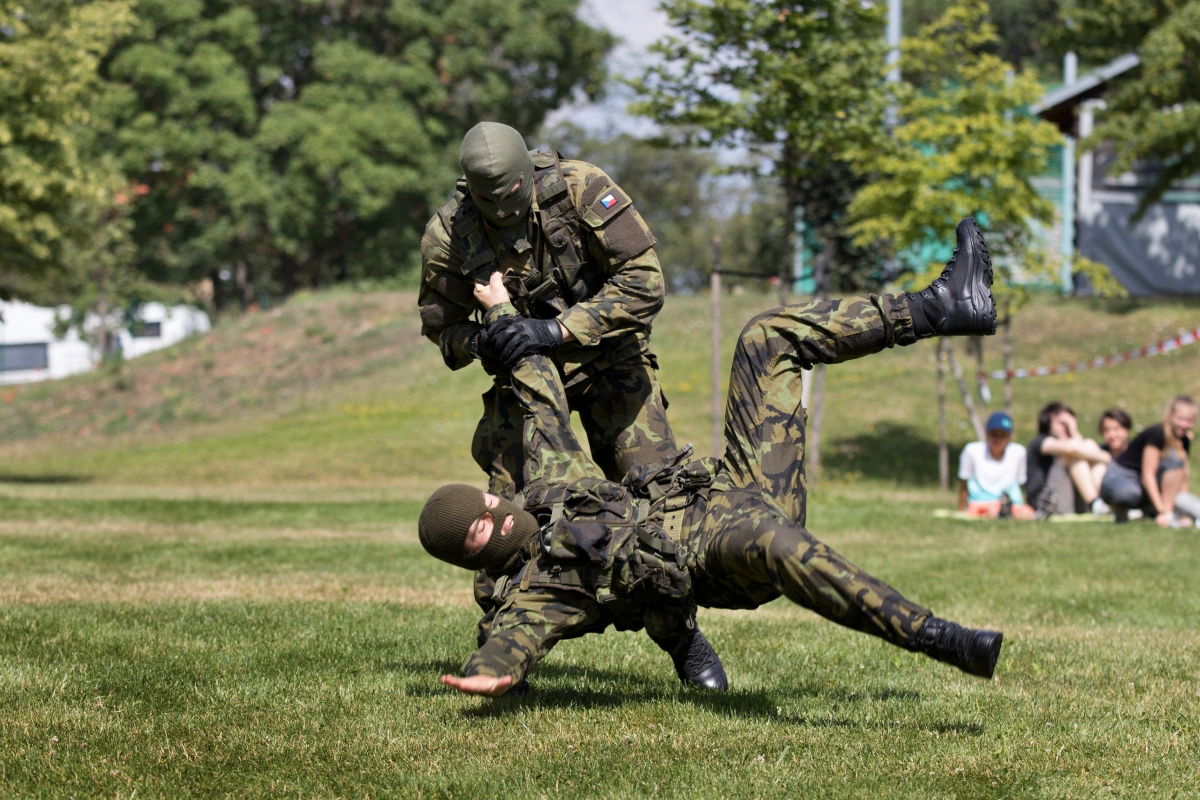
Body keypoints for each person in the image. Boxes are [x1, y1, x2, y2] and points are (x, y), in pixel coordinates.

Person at [420, 218, 1006, 697]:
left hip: (722, 489)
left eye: (488, 503)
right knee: (782, 546)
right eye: (478, 529)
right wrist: (489, 670)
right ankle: (944, 640)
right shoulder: (543, 583)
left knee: (766, 338)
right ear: (474, 557)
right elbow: (514, 637)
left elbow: (536, 385)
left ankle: (942, 307)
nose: (495, 512)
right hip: (713, 553)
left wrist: (500, 310)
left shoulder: (552, 481)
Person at [417, 121, 678, 500]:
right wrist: (482, 341)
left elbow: (645, 283)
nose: (503, 211)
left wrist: (554, 330)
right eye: (487, 198)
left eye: (512, 192)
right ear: (470, 187)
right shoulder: (448, 235)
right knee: (517, 518)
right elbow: (442, 328)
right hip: (523, 382)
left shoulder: (581, 187)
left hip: (611, 362)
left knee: (659, 496)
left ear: (527, 170)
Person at [1100, 396, 1200, 527]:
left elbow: (1181, 475)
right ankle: (1127, 510)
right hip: (1120, 476)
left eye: (1189, 421)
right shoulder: (1158, 433)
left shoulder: (1184, 440)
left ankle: (1159, 512)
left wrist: (1184, 512)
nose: (1184, 424)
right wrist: (1162, 512)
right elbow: (1148, 475)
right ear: (1170, 416)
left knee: (1176, 461)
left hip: (1140, 484)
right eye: (1180, 419)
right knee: (1128, 493)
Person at [1025, 402, 1112, 516]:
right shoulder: (1041, 442)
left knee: (1089, 446)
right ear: (1048, 424)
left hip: (1073, 501)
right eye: (1062, 423)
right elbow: (1072, 449)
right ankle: (1095, 503)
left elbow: (1081, 448)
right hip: (1047, 503)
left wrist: (1104, 457)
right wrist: (1107, 458)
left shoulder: (1077, 443)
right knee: (1073, 454)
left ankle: (1105, 503)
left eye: (1069, 422)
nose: (1067, 426)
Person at [957, 411, 1036, 520]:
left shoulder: (1019, 452)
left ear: (1009, 437)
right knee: (992, 512)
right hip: (981, 503)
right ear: (987, 434)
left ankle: (1007, 511)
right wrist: (960, 512)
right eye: (994, 434)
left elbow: (1020, 484)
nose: (997, 439)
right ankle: (1004, 513)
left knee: (1029, 514)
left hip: (1012, 503)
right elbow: (963, 487)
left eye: (1002, 436)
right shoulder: (971, 451)